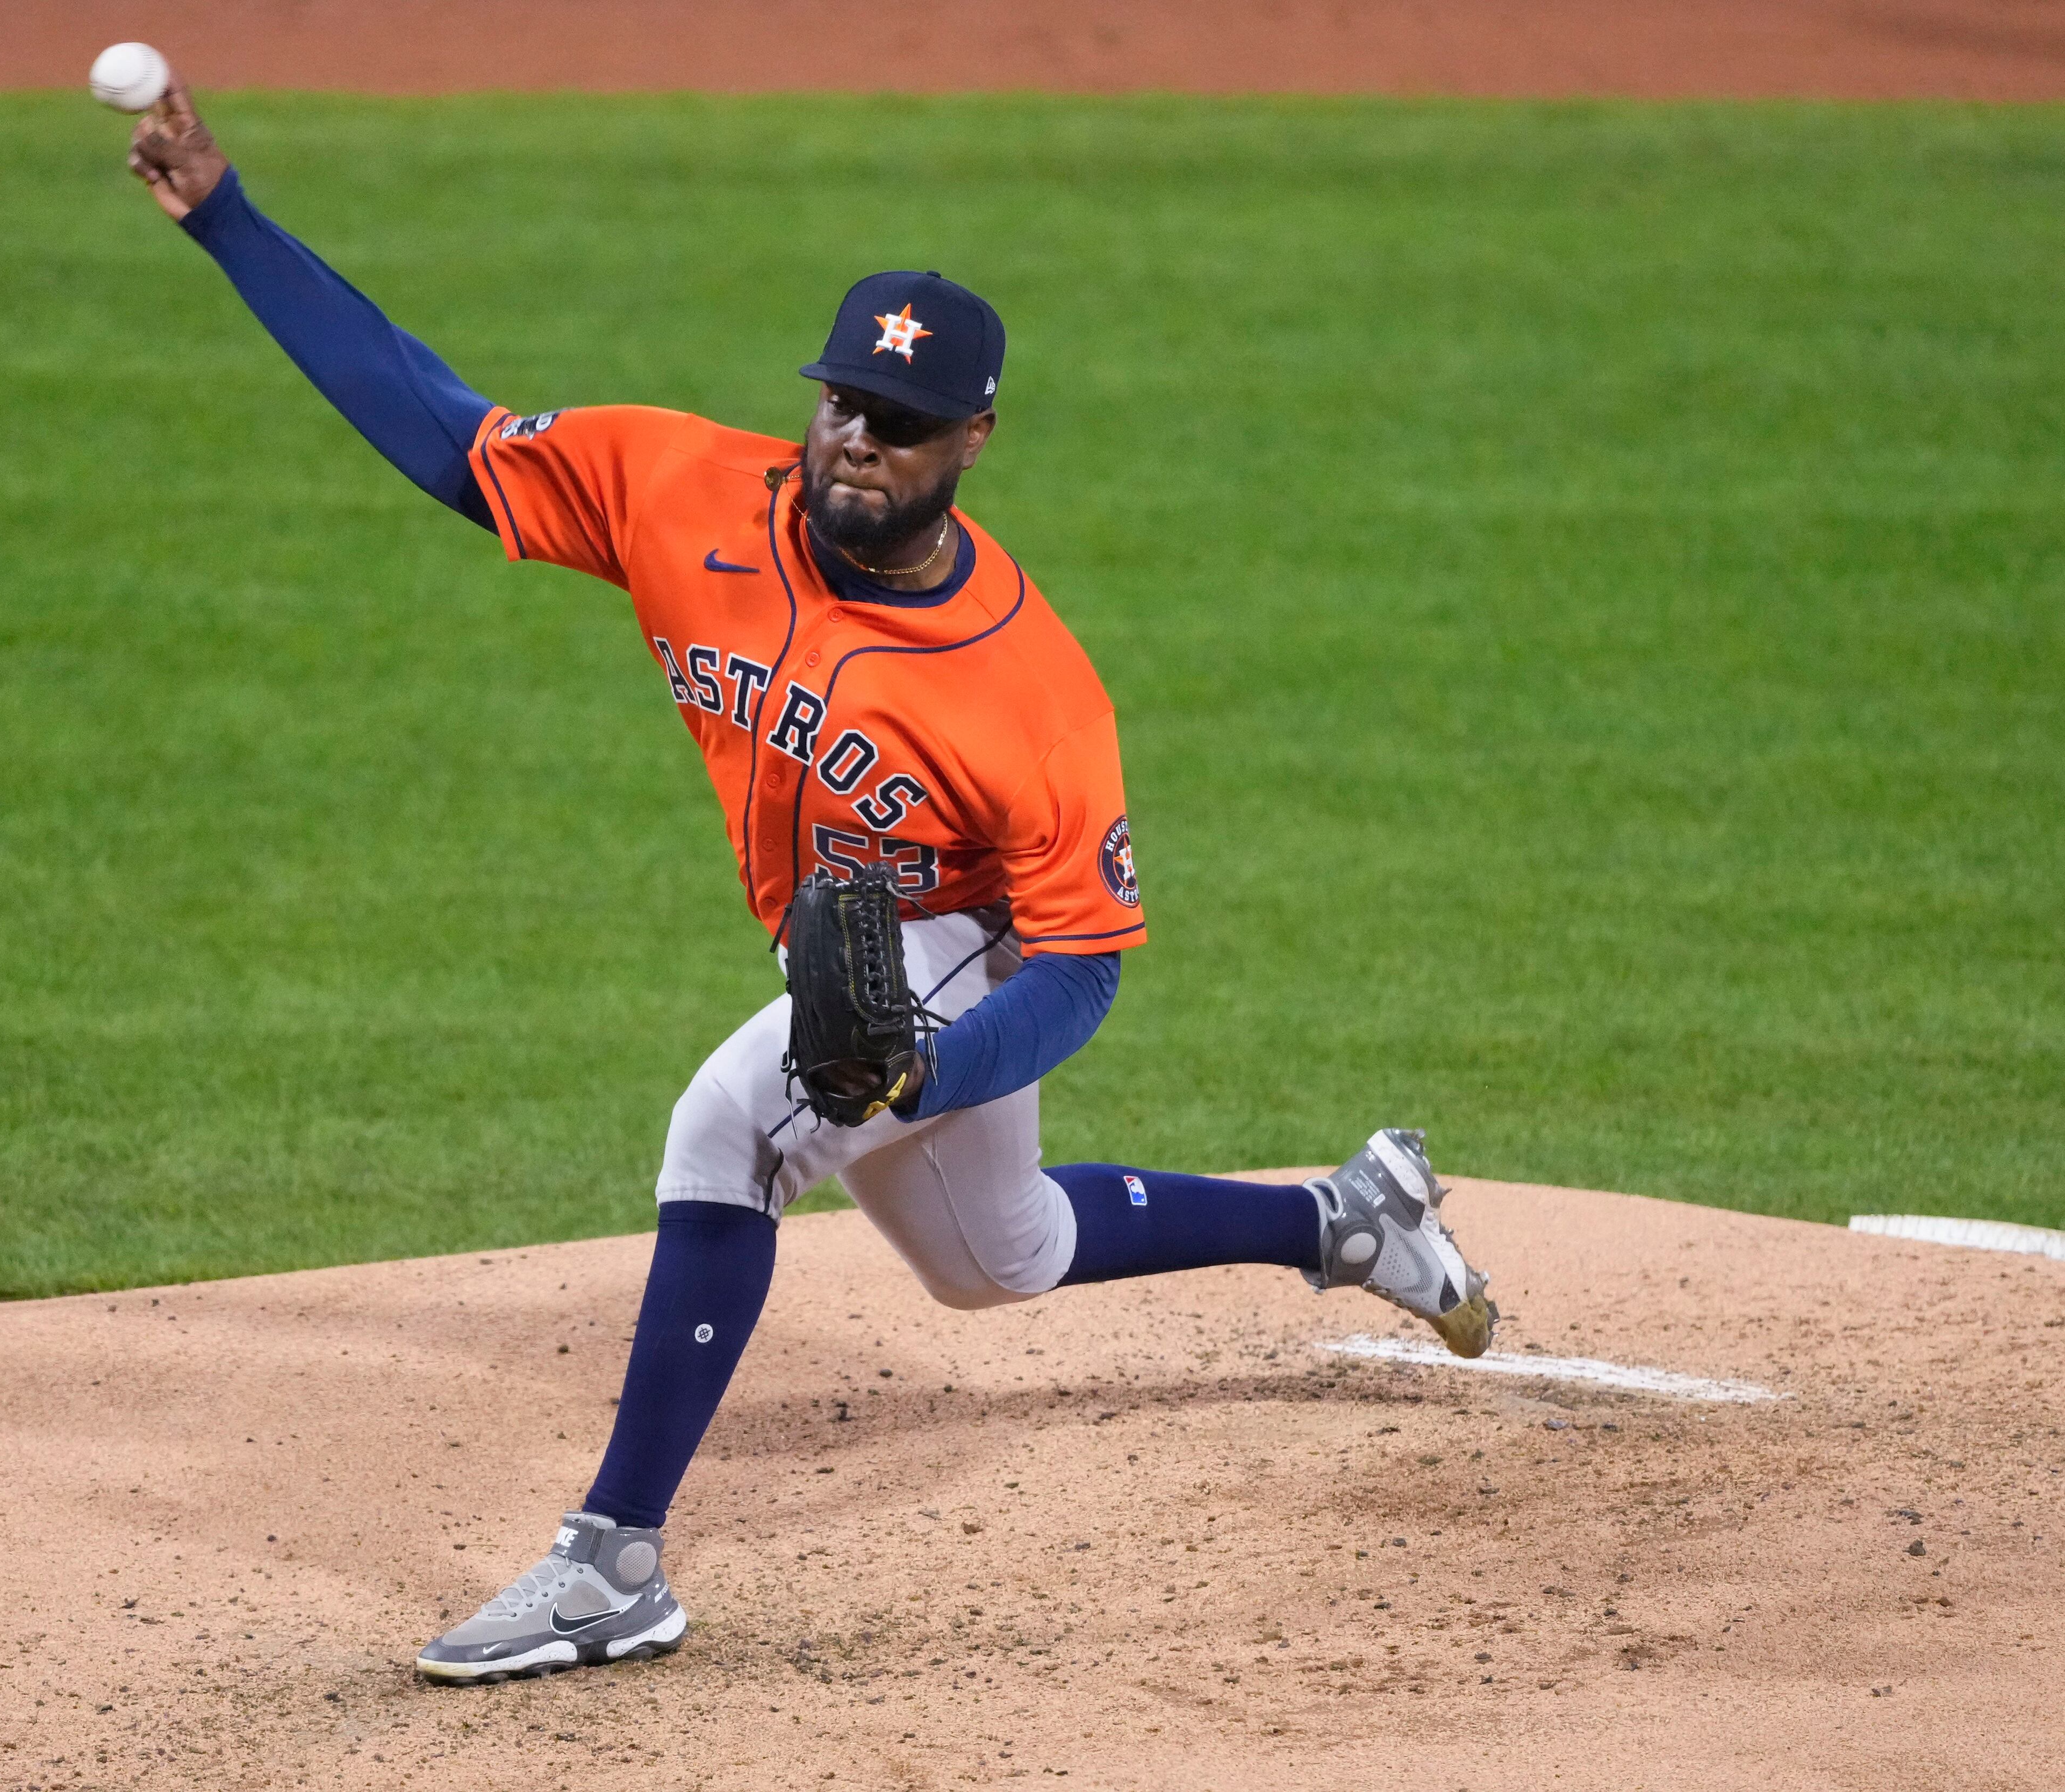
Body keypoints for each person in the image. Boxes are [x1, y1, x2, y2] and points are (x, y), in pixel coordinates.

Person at [123, 83, 1495, 1686]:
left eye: (901, 424)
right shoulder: (684, 488)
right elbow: (441, 426)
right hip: (852, 945)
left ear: (971, 441)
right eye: (843, 401)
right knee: (1003, 1261)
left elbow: (1085, 963)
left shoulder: (1034, 693)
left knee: (739, 1124)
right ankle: (1345, 1218)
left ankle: (610, 1564)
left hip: (967, 945)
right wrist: (228, 219)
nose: (857, 440)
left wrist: (935, 1062)